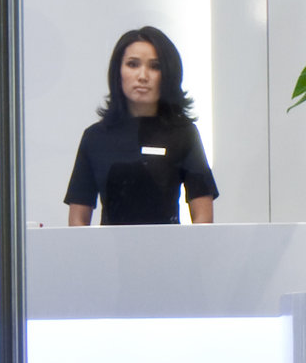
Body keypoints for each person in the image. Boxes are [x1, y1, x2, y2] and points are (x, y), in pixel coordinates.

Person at [64, 27, 218, 225]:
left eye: (155, 66)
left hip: (168, 244)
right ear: (118, 71)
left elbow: (203, 216)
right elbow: (78, 219)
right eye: (133, 64)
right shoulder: (95, 137)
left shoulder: (183, 133)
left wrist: (190, 246)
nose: (143, 76)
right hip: (108, 245)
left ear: (168, 74)